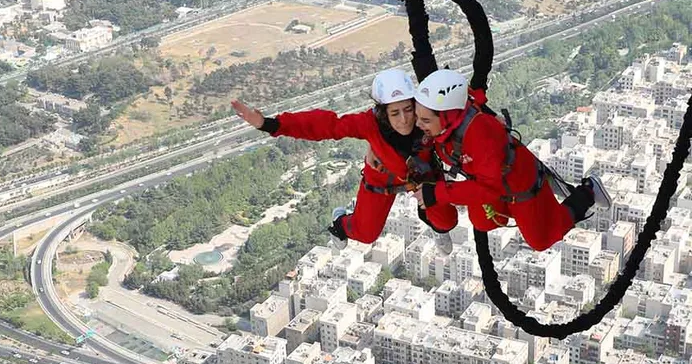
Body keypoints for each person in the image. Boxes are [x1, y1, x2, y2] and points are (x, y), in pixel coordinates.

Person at [232, 68, 458, 252]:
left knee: (446, 220)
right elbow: (326, 125)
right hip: (382, 179)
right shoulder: (370, 124)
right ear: (383, 113)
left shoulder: (427, 114)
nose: (405, 119)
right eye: (395, 113)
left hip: (423, 177)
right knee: (366, 234)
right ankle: (341, 223)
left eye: (408, 109)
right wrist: (270, 124)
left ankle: (432, 222)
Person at [410, 69, 611, 251]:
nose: (418, 124)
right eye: (419, 117)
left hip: (519, 182)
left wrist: (437, 193)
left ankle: (587, 193)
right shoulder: (448, 127)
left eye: (426, 120)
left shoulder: (481, 135)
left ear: (447, 116)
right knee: (484, 222)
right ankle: (537, 209)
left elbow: (489, 189)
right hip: (488, 177)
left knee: (540, 240)